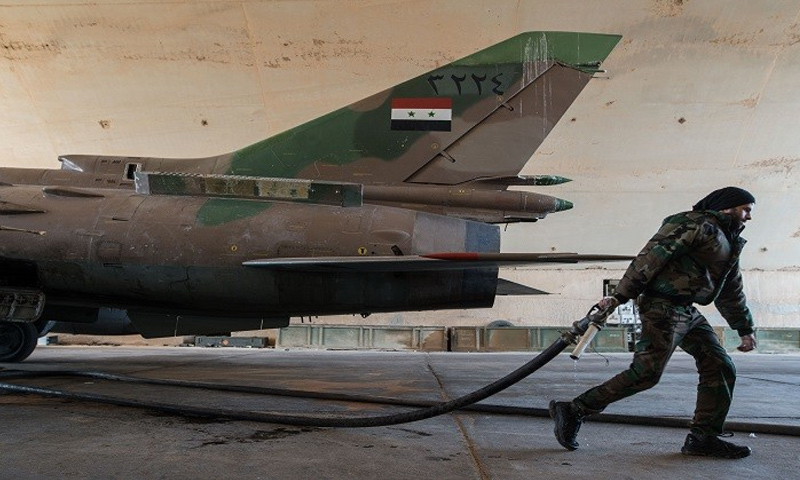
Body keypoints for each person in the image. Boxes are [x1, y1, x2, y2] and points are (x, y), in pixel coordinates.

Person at [550, 186, 757, 459]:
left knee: (720, 365)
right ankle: (574, 409)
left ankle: (703, 437)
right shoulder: (692, 224)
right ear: (728, 206)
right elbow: (651, 257)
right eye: (746, 210)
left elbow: (731, 288)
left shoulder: (728, 240)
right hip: (663, 307)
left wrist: (744, 328)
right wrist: (619, 297)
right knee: (646, 373)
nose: (749, 217)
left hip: (687, 310)